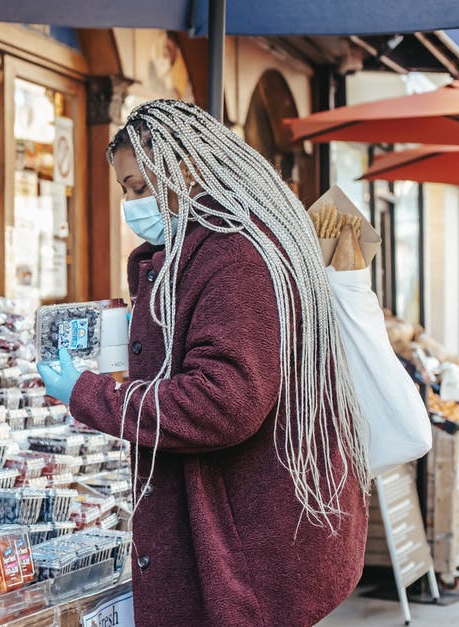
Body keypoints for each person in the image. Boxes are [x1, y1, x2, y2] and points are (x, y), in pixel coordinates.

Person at [38, 100, 369, 627]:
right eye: (125, 190)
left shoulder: (234, 255)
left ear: (186, 169)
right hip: (250, 537)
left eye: (140, 188)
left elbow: (224, 400)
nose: (131, 204)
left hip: (244, 551)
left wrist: (92, 393)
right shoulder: (213, 247)